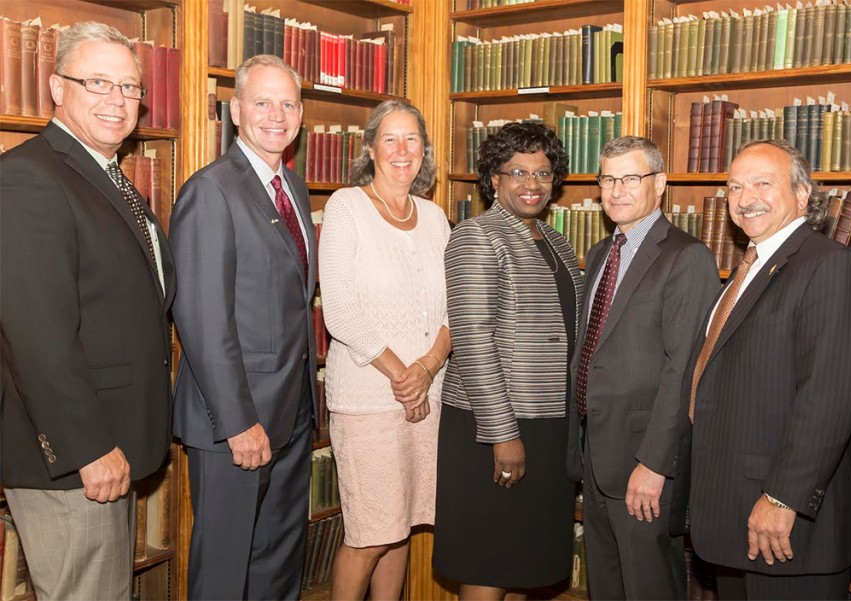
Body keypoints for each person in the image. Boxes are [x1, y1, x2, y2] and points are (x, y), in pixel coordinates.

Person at [0, 21, 175, 600]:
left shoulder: (107, 175)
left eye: (129, 88)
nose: (118, 101)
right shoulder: (29, 177)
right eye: (97, 82)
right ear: (55, 87)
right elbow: (36, 334)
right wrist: (87, 449)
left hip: (111, 444)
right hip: (76, 459)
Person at [680, 140, 851, 599]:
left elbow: (828, 398)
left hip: (782, 524)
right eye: (734, 187)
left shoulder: (829, 267)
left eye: (763, 184)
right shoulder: (748, 268)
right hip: (731, 515)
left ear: (803, 194)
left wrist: (783, 497)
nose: (746, 199)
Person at [169, 54, 316, 600]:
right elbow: (203, 319)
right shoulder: (212, 190)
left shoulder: (294, 190)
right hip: (236, 423)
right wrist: (238, 423)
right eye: (261, 102)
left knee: (277, 565)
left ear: (301, 114)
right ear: (235, 112)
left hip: (293, 412)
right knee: (226, 572)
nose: (275, 115)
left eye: (287, 103)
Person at [433, 122, 582, 600]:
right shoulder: (477, 236)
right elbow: (473, 340)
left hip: (549, 424)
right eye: (517, 171)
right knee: (489, 558)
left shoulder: (556, 242)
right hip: (493, 424)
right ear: (493, 180)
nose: (532, 184)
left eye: (542, 172)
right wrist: (504, 435)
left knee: (524, 562)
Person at [567, 136, 720, 600]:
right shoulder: (599, 254)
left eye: (630, 178)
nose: (616, 190)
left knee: (649, 588)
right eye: (608, 179)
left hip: (643, 463)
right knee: (607, 589)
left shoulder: (686, 256)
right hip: (595, 454)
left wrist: (654, 463)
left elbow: (683, 370)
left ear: (659, 184)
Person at [318, 99, 450, 600]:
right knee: (370, 535)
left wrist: (427, 368)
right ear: (370, 148)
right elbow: (342, 313)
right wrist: (403, 376)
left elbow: (451, 309)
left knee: (403, 528)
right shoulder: (346, 207)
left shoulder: (436, 217)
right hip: (369, 402)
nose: (401, 150)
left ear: (424, 151)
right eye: (389, 139)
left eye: (412, 139)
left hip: (428, 399)